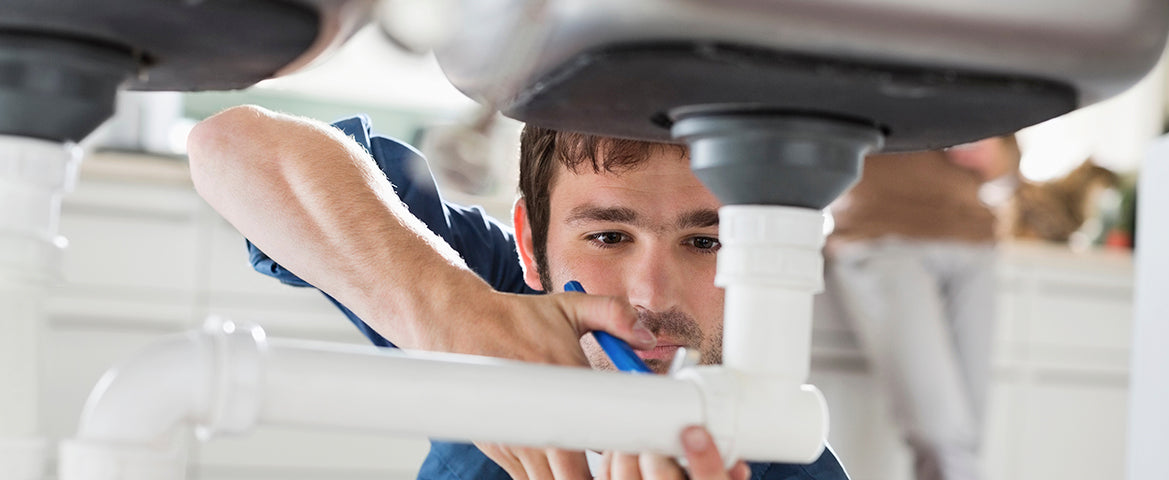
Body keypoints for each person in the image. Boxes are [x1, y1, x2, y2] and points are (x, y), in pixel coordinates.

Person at [186, 105, 851, 480]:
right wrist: (450, 309)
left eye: (706, 244)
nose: (651, 295)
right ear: (531, 246)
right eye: (610, 238)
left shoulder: (788, 456)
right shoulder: (492, 293)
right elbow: (231, 146)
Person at [823, 136, 1018, 480]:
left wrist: (997, 152)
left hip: (974, 243)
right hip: (881, 236)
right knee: (941, 435)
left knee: (965, 437)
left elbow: (1009, 161)